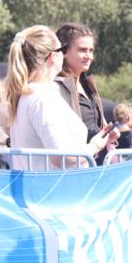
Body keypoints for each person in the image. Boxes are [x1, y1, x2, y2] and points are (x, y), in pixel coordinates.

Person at [5, 25, 117, 170]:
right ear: (53, 56)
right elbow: (64, 157)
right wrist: (95, 145)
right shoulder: (42, 98)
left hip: (40, 187)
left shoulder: (28, 94)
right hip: (54, 188)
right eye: (62, 50)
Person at [55, 23, 107, 163]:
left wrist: (106, 134)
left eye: (91, 50)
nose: (89, 56)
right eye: (82, 50)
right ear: (64, 51)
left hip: (95, 164)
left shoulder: (88, 85)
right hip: (72, 168)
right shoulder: (55, 88)